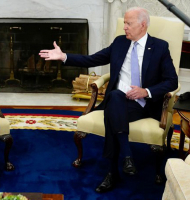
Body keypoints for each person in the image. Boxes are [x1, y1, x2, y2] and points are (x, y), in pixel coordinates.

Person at [39, 7, 178, 193]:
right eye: (125, 23)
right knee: (114, 97)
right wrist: (63, 57)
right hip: (119, 101)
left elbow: (172, 81)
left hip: (144, 104)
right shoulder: (120, 43)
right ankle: (125, 157)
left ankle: (112, 172)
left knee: (112, 110)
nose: (125, 28)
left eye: (129, 24)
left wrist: (146, 91)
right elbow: (92, 59)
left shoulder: (160, 47)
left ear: (143, 25)